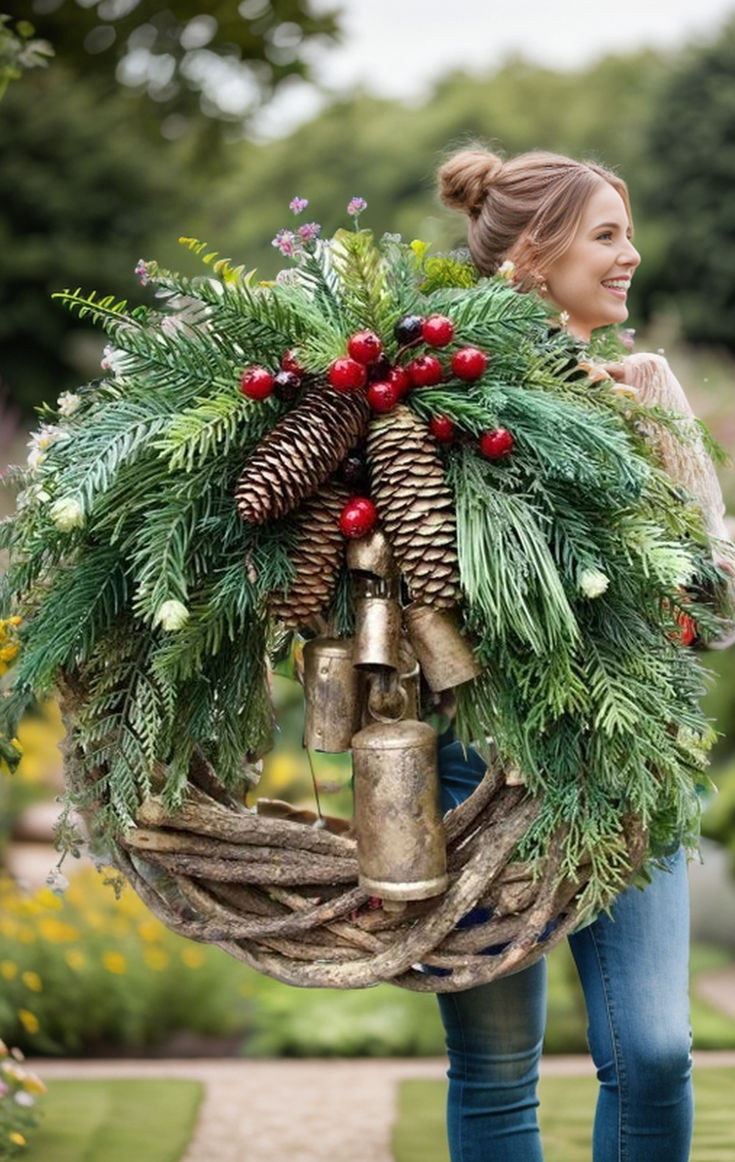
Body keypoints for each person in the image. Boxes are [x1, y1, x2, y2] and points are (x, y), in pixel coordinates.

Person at [433, 146, 734, 1162]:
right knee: (495, 1068)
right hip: (472, 763)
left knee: (651, 1051)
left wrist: (678, 544)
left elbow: (719, 596)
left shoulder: (646, 389)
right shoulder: (435, 395)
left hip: (623, 756)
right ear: (531, 253)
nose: (631, 256)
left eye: (627, 233)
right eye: (606, 234)